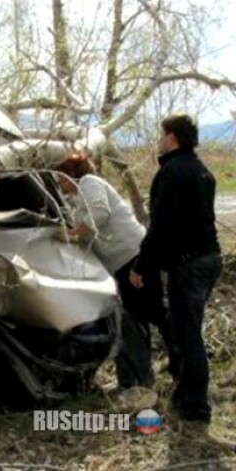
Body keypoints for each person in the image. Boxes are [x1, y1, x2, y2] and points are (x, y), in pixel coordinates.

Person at [54, 152, 179, 390]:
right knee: (136, 319)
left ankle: (169, 371)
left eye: (60, 177)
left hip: (133, 257)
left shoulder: (90, 183)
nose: (59, 184)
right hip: (122, 263)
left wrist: (70, 234)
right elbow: (90, 229)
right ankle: (138, 379)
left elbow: (100, 214)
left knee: (149, 316)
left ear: (72, 174)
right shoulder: (78, 198)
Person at [130, 114, 222, 423]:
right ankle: (185, 394)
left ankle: (195, 407)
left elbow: (162, 226)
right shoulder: (201, 171)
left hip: (190, 264)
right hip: (209, 258)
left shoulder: (172, 172)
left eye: (161, 135)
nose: (158, 141)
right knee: (185, 329)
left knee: (187, 334)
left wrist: (142, 265)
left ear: (172, 138)